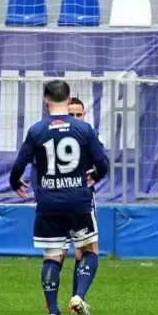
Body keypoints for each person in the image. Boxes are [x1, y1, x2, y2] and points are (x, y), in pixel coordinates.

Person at [10, 81, 109, 315]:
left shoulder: (36, 130)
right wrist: (94, 176)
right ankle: (78, 296)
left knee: (52, 256)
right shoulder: (83, 129)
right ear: (68, 99)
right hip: (78, 200)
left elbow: (19, 166)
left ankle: (53, 313)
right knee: (88, 250)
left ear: (46, 101)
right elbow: (103, 163)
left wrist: (15, 183)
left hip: (48, 202)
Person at [58, 97, 95, 296]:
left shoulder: (90, 136)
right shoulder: (52, 136)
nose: (74, 118)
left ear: (84, 115)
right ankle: (54, 305)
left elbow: (100, 163)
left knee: (82, 250)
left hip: (82, 199)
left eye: (78, 115)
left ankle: (76, 298)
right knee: (58, 253)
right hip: (62, 200)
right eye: (70, 114)